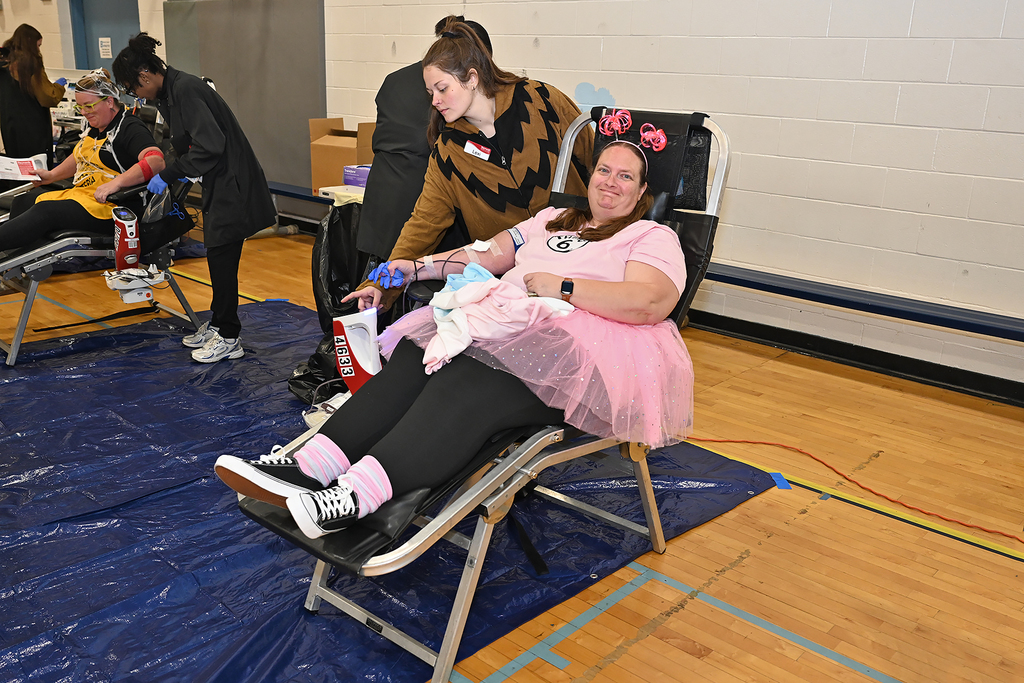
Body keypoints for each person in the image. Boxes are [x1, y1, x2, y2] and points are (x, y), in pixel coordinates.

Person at [215, 142, 694, 540]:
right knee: (415, 356)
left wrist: (563, 287)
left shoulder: (649, 236)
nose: (611, 182)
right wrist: (415, 267)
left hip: (570, 356)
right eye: (604, 170)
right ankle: (310, 466)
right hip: (507, 325)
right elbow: (484, 255)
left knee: (464, 379)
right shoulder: (554, 219)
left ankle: (357, 495)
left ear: (643, 192)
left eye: (626, 177)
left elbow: (650, 302)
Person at [345, 15, 593, 313]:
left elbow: (596, 162)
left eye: (442, 88)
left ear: (472, 78)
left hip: (582, 259)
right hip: (513, 282)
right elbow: (424, 222)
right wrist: (381, 285)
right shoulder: (449, 150)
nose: (435, 101)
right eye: (430, 93)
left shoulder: (543, 101)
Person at [112, 33, 277, 364]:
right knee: (218, 254)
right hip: (220, 181)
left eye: (133, 88)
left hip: (234, 183)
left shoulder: (185, 90)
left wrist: (169, 174)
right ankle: (219, 323)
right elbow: (191, 144)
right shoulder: (170, 94)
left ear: (145, 76)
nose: (136, 96)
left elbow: (210, 146)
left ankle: (229, 335)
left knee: (221, 257)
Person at [357, 16, 493, 262]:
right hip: (423, 209)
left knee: (387, 283)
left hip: (381, 202)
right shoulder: (450, 92)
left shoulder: (395, 79)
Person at [0, 69, 164, 253]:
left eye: (89, 106)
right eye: (80, 107)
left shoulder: (129, 127)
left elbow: (156, 161)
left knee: (46, 211)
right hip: (86, 195)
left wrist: (116, 184)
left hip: (115, 206)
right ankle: (13, 260)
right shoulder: (96, 125)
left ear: (109, 101)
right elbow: (80, 156)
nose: (84, 112)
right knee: (23, 201)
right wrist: (52, 175)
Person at [0, 24, 66, 169]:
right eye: (38, 45)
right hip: (32, 125)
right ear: (31, 43)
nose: (39, 49)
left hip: (9, 124)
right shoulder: (30, 64)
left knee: (17, 166)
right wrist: (59, 87)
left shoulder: (4, 62)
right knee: (38, 168)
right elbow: (47, 97)